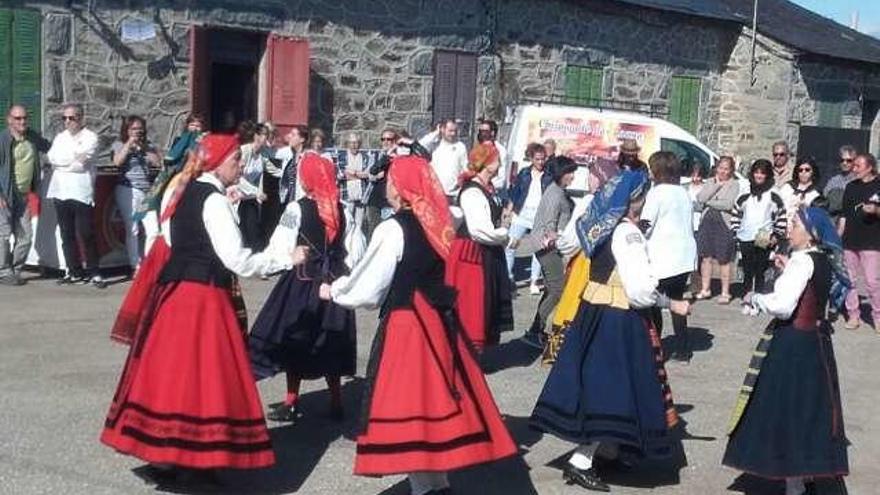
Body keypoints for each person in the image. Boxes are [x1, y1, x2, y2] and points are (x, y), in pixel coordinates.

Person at [101, 134, 307, 481]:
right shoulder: (213, 200)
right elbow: (237, 259)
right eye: (236, 160)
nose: (240, 166)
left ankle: (168, 456)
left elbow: (165, 238)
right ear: (219, 162)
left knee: (172, 376)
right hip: (203, 298)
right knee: (204, 377)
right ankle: (197, 459)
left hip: (174, 294)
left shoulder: (181, 190)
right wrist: (285, 258)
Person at [320, 154, 517, 495]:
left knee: (410, 408)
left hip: (409, 325)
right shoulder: (440, 219)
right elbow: (451, 211)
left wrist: (334, 290)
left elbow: (368, 288)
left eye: (392, 180)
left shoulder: (394, 227)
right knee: (432, 405)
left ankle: (429, 488)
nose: (388, 185)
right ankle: (433, 485)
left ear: (402, 187)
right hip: (438, 322)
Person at [530, 170, 689, 492]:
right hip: (619, 317)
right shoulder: (628, 235)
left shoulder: (600, 223)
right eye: (643, 196)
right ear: (635, 200)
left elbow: (565, 245)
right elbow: (640, 291)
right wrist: (672, 304)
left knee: (605, 386)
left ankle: (611, 448)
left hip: (594, 311)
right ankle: (581, 460)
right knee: (613, 390)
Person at [724, 207, 850, 495]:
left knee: (787, 410)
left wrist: (755, 296)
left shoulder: (802, 261)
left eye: (794, 224)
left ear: (811, 234)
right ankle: (804, 477)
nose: (789, 229)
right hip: (817, 343)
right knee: (809, 410)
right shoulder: (821, 259)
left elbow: (783, 306)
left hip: (793, 344)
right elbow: (810, 291)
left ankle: (794, 482)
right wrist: (787, 269)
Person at [249, 153, 357, 422]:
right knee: (330, 338)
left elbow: (281, 244)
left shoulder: (296, 209)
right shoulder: (345, 209)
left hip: (303, 281)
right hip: (335, 282)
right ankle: (336, 401)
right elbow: (355, 250)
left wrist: (281, 260)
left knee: (296, 336)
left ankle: (292, 400)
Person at [446, 142, 514, 351]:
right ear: (488, 163)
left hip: (484, 251)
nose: (500, 162)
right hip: (472, 254)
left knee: (484, 299)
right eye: (496, 158)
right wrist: (505, 236)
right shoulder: (473, 192)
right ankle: (465, 352)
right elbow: (479, 230)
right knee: (472, 301)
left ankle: (472, 352)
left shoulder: (486, 189)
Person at [514, 157, 578, 350]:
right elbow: (550, 224)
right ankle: (536, 330)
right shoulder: (555, 194)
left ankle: (536, 328)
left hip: (546, 245)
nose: (573, 176)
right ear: (560, 174)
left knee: (551, 287)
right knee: (557, 289)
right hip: (546, 247)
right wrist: (557, 241)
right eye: (569, 172)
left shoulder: (558, 191)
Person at [642, 152, 697, 361]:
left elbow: (647, 224)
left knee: (655, 302)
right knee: (677, 301)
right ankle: (683, 349)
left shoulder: (657, 193)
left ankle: (655, 349)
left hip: (663, 257)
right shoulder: (683, 192)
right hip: (683, 257)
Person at [46, 103, 104, 288]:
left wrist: (65, 162)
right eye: (65, 118)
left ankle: (94, 271)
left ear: (81, 118)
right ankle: (74, 270)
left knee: (86, 232)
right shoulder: (59, 137)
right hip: (60, 190)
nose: (68, 122)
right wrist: (70, 159)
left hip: (81, 191)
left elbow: (82, 165)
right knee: (66, 233)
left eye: (72, 118)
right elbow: (52, 158)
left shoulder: (91, 137)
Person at [0, 105, 50, 286]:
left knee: (26, 236)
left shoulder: (32, 137)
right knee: (4, 235)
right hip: (4, 195)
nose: (22, 122)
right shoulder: (2, 139)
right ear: (9, 120)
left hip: (24, 195)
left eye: (24, 118)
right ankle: (4, 272)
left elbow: (51, 148)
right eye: (18, 118)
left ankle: (15, 268)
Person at [731, 159, 786, 310]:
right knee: (747, 270)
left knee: (760, 269)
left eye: (762, 173)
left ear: (767, 175)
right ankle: (747, 298)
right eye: (756, 172)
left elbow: (781, 215)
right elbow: (736, 212)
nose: (759, 175)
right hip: (745, 235)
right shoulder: (745, 192)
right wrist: (735, 230)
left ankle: (758, 301)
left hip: (763, 234)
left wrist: (776, 234)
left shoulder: (773, 194)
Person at [112, 115, 162, 271]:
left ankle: (150, 264)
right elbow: (117, 161)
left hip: (146, 191)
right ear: (126, 130)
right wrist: (129, 144)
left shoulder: (147, 145)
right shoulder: (119, 144)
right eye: (134, 128)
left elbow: (157, 162)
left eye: (140, 128)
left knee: (153, 229)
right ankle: (136, 265)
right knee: (133, 229)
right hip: (129, 190)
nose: (137, 131)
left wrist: (144, 149)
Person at [839, 153, 880, 332]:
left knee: (872, 282)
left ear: (870, 167)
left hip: (872, 240)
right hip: (850, 239)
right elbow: (844, 215)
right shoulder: (850, 187)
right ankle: (853, 314)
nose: (854, 169)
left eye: (858, 166)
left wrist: (876, 210)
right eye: (853, 165)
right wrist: (838, 236)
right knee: (850, 281)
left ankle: (878, 316)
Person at [506, 143, 552, 295]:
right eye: (537, 159)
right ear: (531, 159)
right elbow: (515, 193)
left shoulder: (549, 176)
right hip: (521, 214)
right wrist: (509, 211)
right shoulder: (524, 173)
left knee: (538, 250)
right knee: (511, 246)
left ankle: (534, 281)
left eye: (543, 159)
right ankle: (509, 278)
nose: (540, 162)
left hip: (539, 217)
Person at [694, 156, 740, 304]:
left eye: (726, 169)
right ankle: (705, 289)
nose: (723, 171)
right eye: (721, 168)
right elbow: (700, 198)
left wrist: (709, 202)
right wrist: (715, 186)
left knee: (724, 259)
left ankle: (725, 292)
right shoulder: (710, 181)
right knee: (705, 257)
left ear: (731, 170)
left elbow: (727, 204)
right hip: (707, 222)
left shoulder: (734, 184)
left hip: (723, 224)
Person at [234, 121, 272, 250]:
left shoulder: (263, 154)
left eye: (267, 135)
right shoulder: (244, 151)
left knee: (253, 231)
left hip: (251, 198)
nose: (266, 138)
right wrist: (257, 192)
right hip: (238, 196)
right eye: (263, 135)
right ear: (256, 136)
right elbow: (238, 177)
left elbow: (272, 170)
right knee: (241, 232)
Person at [419, 120, 468, 202]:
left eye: (455, 131)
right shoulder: (434, 145)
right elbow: (421, 145)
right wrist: (436, 133)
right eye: (450, 131)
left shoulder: (460, 146)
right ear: (442, 129)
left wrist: (461, 182)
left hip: (453, 194)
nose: (453, 134)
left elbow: (465, 168)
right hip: (435, 192)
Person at [337, 133, 373, 235]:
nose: (354, 145)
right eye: (351, 143)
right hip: (347, 195)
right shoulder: (342, 157)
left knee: (359, 224)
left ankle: (358, 246)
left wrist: (353, 173)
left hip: (361, 195)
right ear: (347, 144)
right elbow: (342, 174)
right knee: (347, 222)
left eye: (356, 143)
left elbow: (368, 174)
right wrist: (359, 174)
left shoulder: (365, 157)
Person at [364, 129, 398, 237]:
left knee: (387, 233)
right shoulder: (377, 155)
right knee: (373, 232)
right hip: (375, 199)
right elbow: (371, 171)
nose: (386, 142)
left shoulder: (398, 157)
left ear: (395, 141)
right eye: (383, 139)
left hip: (390, 201)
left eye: (389, 139)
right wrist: (386, 156)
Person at [273, 125, 309, 204]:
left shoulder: (308, 158)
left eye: (293, 135)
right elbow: (271, 155)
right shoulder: (286, 153)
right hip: (287, 199)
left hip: (302, 199)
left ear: (302, 139)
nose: (289, 137)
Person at [478, 119, 511, 201]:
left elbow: (502, 179)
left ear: (492, 133)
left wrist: (486, 185)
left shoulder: (501, 151)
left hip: (494, 197)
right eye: (480, 131)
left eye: (485, 131)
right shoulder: (478, 148)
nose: (481, 134)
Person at [824, 145, 857, 222]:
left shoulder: (858, 181)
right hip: (831, 221)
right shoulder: (833, 181)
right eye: (842, 160)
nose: (845, 163)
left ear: (854, 161)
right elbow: (825, 200)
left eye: (849, 160)